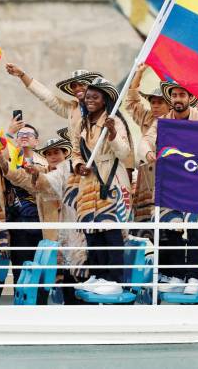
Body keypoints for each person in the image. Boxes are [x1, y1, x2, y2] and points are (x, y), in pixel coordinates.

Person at [0, 134, 93, 301]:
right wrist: (4, 165)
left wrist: (35, 174)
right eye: (49, 153)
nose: (53, 156)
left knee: (76, 280)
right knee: (54, 282)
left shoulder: (73, 171)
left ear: (65, 154)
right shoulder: (42, 172)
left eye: (57, 152)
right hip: (53, 238)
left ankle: (78, 317)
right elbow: (23, 178)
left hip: (75, 235)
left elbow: (46, 182)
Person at [141, 81, 198, 293]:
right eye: (174, 95)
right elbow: (146, 140)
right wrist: (148, 154)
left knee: (196, 229)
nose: (178, 99)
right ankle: (175, 275)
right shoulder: (162, 122)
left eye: (182, 94)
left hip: (196, 184)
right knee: (169, 228)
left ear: (190, 98)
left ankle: (193, 278)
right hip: (170, 184)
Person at [68, 78, 134, 289]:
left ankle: (114, 279)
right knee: (92, 232)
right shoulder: (82, 123)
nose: (90, 101)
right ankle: (97, 275)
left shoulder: (115, 120)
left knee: (110, 231)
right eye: (88, 97)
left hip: (110, 180)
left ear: (105, 100)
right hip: (88, 183)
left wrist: (113, 133)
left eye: (95, 97)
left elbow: (124, 152)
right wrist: (79, 167)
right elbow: (75, 152)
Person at [0, 118, 49, 303]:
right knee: (19, 268)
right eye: (21, 135)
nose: (24, 137)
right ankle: (22, 304)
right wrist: (9, 134)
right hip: (16, 224)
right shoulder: (9, 158)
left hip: (41, 223)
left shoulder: (44, 162)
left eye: (29, 134)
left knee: (42, 268)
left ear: (36, 141)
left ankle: (41, 304)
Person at [4, 65, 102, 151]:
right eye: (74, 86)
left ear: (91, 86)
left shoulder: (105, 107)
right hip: (80, 164)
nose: (77, 88)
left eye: (82, 84)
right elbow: (46, 96)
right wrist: (21, 74)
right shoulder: (71, 109)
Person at [124, 64, 170, 223]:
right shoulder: (147, 117)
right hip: (148, 172)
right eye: (153, 102)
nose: (155, 106)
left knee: (168, 218)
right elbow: (131, 102)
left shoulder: (176, 119)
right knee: (145, 219)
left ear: (169, 104)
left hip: (169, 171)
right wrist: (139, 73)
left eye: (160, 102)